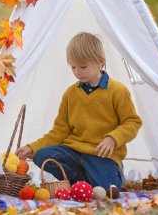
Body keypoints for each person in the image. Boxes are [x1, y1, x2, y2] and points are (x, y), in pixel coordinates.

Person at [16, 32, 142, 190]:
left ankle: (109, 176)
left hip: (101, 155)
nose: (77, 72)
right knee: (42, 155)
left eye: (83, 67)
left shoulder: (117, 91)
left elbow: (133, 122)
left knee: (107, 190)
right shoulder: (70, 94)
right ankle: (82, 182)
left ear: (100, 62)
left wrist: (113, 138)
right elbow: (59, 132)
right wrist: (32, 148)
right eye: (73, 67)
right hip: (74, 152)